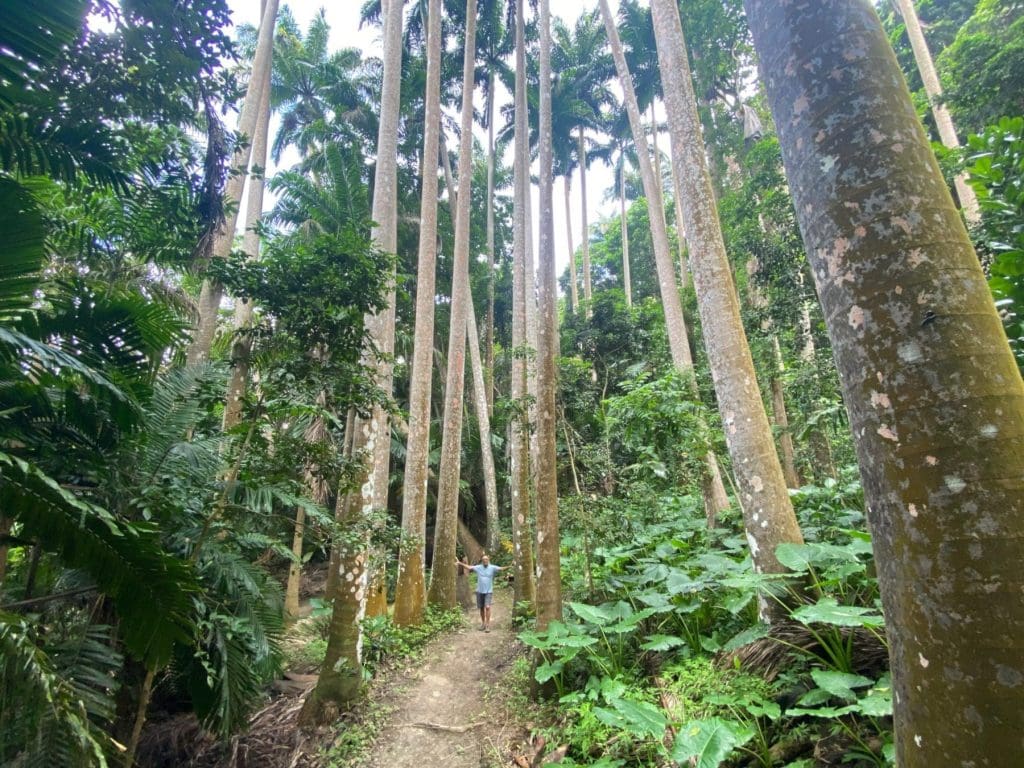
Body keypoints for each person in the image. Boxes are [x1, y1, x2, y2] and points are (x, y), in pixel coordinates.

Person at [455, 553, 507, 632]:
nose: (485, 561)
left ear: (488, 560)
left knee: (487, 607)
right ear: (482, 561)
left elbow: (502, 568)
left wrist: (511, 565)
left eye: (486, 559)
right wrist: (459, 563)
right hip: (479, 591)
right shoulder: (478, 567)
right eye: (483, 560)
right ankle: (483, 623)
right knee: (481, 608)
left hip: (488, 591)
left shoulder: (492, 567)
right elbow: (469, 567)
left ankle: (488, 625)